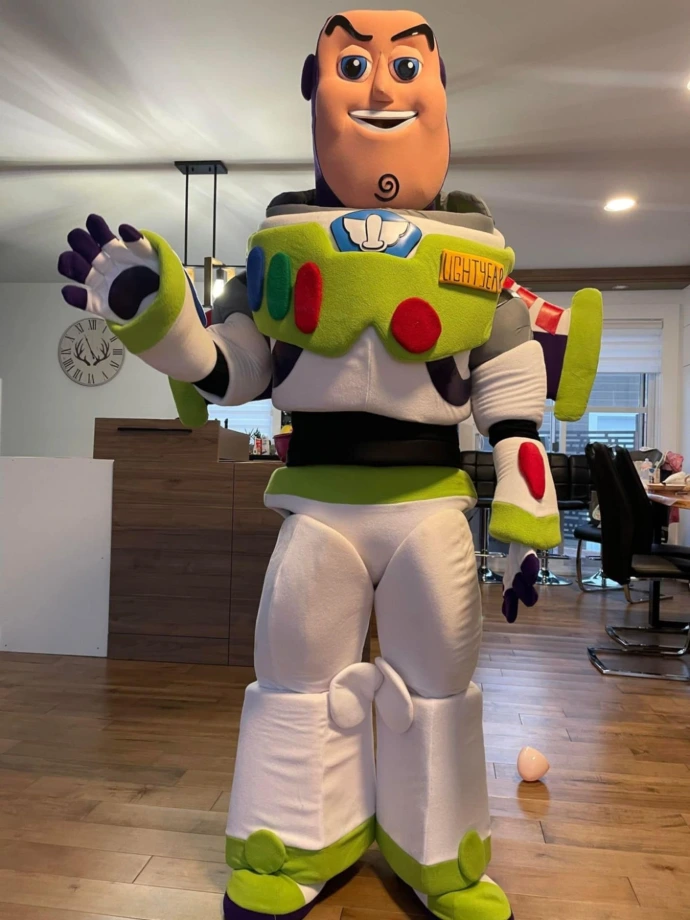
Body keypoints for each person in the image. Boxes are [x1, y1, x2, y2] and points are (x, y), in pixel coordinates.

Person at [58, 10, 599, 920]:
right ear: (316, 88)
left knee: (438, 685)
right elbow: (231, 366)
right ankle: (297, 843)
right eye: (354, 64)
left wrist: (522, 481)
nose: (381, 85)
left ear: (439, 89)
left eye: (404, 65)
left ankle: (440, 855)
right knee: (296, 682)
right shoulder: (280, 249)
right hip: (320, 504)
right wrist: (158, 317)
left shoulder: (478, 256)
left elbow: (506, 381)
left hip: (429, 504)